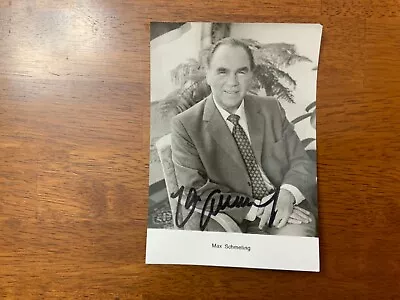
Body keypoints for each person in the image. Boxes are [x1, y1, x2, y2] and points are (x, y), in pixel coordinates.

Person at [170, 37, 317, 236]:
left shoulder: (270, 108)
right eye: (222, 71)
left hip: (285, 211)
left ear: (251, 75)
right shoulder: (185, 125)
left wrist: (287, 194)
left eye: (241, 71)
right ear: (208, 74)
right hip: (232, 221)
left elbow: (301, 160)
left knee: (295, 246)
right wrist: (258, 209)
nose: (232, 82)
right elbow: (194, 190)